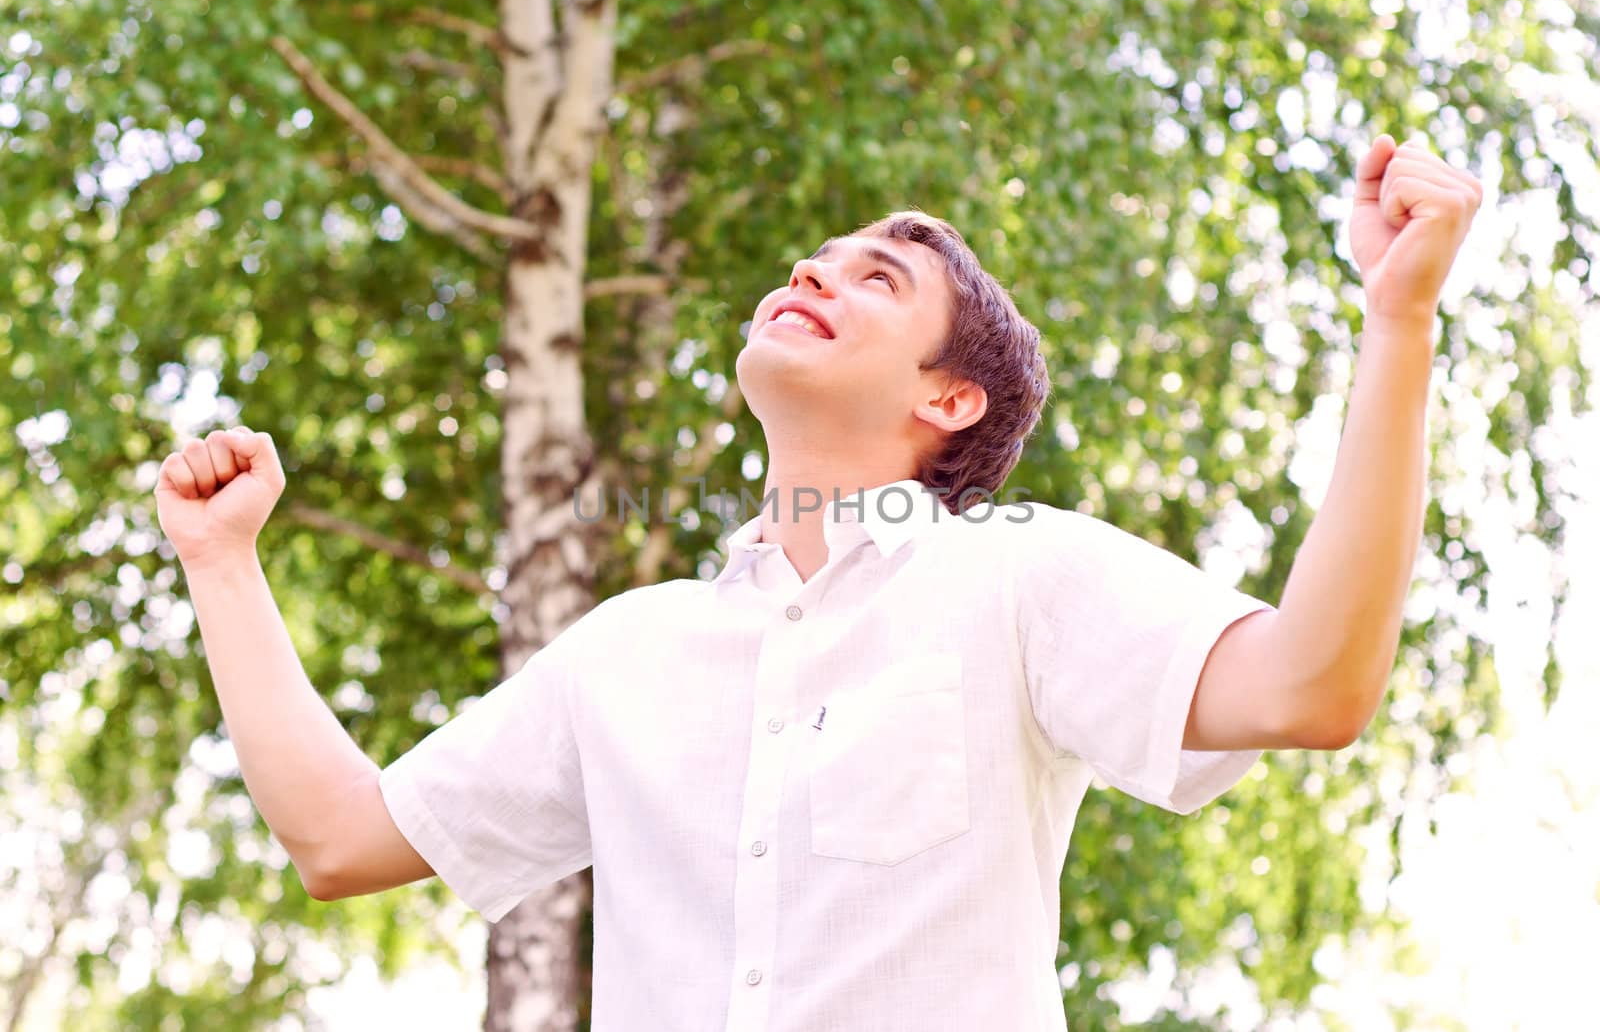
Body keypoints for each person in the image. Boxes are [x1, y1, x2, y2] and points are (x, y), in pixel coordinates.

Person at [155, 134, 1481, 1031]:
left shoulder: (1020, 578)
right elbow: (339, 839)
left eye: (877, 275)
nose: (813, 271)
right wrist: (222, 563)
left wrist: (1399, 319)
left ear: (946, 397)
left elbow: (1316, 685)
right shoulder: (627, 655)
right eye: (813, 260)